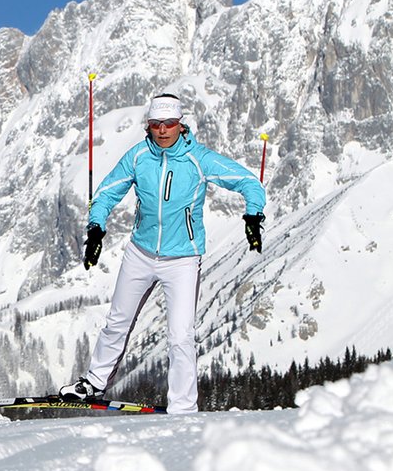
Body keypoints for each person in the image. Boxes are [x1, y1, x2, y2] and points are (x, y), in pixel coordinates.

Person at [59, 93, 266, 414]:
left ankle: (183, 409)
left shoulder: (199, 159)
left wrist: (253, 215)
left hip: (182, 259)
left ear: (180, 125)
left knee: (181, 336)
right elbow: (106, 192)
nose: (162, 130)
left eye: (169, 123)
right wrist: (96, 227)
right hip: (140, 253)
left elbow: (249, 183)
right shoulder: (139, 156)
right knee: (117, 322)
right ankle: (93, 384)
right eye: (156, 124)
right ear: (149, 126)